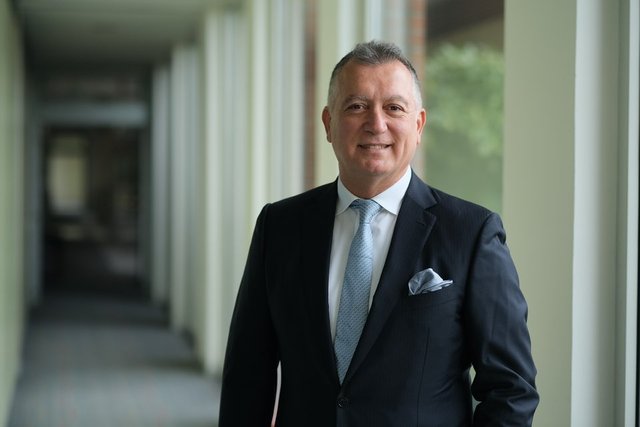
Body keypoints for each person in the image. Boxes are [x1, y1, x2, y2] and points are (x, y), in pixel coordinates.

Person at [219, 40, 538, 427]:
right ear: (328, 123)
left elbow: (511, 389)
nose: (376, 123)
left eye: (394, 108)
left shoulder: (471, 233)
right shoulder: (280, 227)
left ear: (418, 125)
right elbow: (247, 375)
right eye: (356, 106)